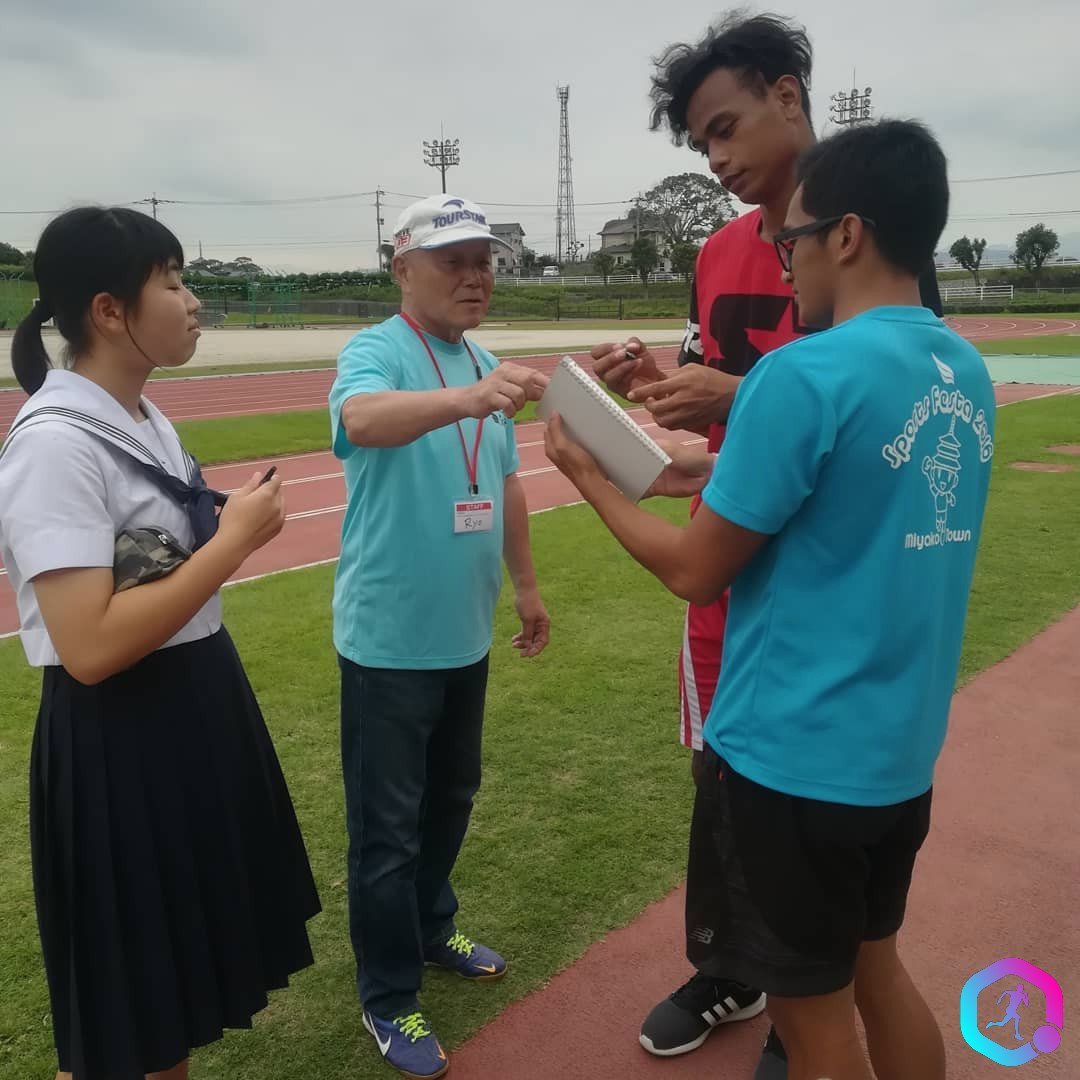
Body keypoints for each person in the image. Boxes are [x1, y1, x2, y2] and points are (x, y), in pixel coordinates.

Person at [545, 118, 994, 1080]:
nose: (782, 258)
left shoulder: (805, 370)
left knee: (819, 1031)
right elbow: (831, 494)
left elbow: (694, 571)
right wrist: (680, 448)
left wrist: (585, 472)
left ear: (846, 234)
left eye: (791, 237)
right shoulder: (961, 368)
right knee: (880, 973)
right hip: (896, 753)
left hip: (791, 762)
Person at [0, 207, 321, 1080]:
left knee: (163, 1002)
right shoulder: (54, 445)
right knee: (123, 1020)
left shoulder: (142, 417)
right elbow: (89, 647)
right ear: (110, 311)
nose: (193, 302)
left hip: (188, 708)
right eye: (173, 281)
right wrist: (231, 545)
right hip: (122, 734)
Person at [329, 194, 551, 1080]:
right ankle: (387, 997)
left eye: (485, 259)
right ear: (403, 266)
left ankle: (429, 929)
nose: (475, 275)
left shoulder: (484, 359)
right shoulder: (377, 350)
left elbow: (506, 485)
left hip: (465, 637)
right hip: (388, 642)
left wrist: (528, 588)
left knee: (451, 796)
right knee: (386, 829)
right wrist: (466, 395)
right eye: (454, 259)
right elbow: (360, 422)